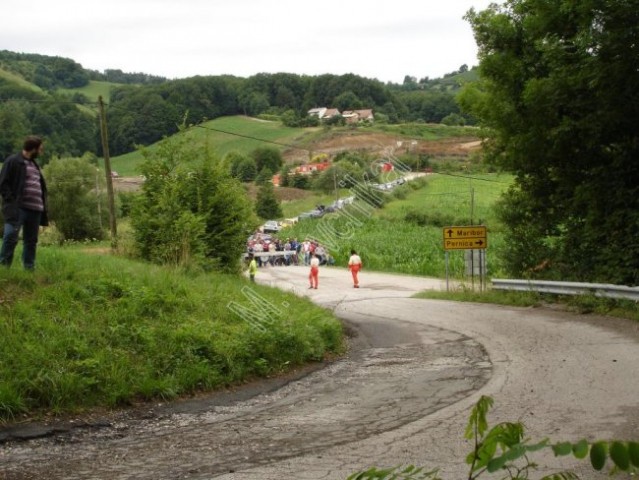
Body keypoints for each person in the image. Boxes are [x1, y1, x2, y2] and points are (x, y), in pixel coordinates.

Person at [0, 136, 48, 270]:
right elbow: (3, 183)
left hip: (35, 210)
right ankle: (3, 268)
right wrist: (11, 202)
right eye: (40, 149)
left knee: (31, 241)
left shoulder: (34, 164)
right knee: (10, 237)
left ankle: (29, 269)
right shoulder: (13, 161)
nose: (41, 151)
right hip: (18, 208)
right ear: (33, 149)